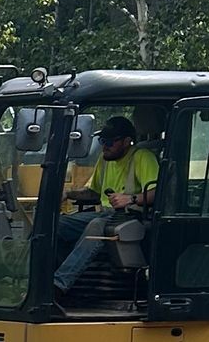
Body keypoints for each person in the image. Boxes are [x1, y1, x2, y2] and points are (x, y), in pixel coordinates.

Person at [53, 117, 161, 296]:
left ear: (127, 141)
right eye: (103, 141)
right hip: (104, 214)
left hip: (133, 216)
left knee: (96, 226)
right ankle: (47, 279)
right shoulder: (104, 160)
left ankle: (60, 284)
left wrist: (130, 199)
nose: (105, 146)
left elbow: (158, 192)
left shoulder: (142, 157)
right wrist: (68, 193)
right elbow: (94, 193)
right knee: (56, 225)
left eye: (110, 142)